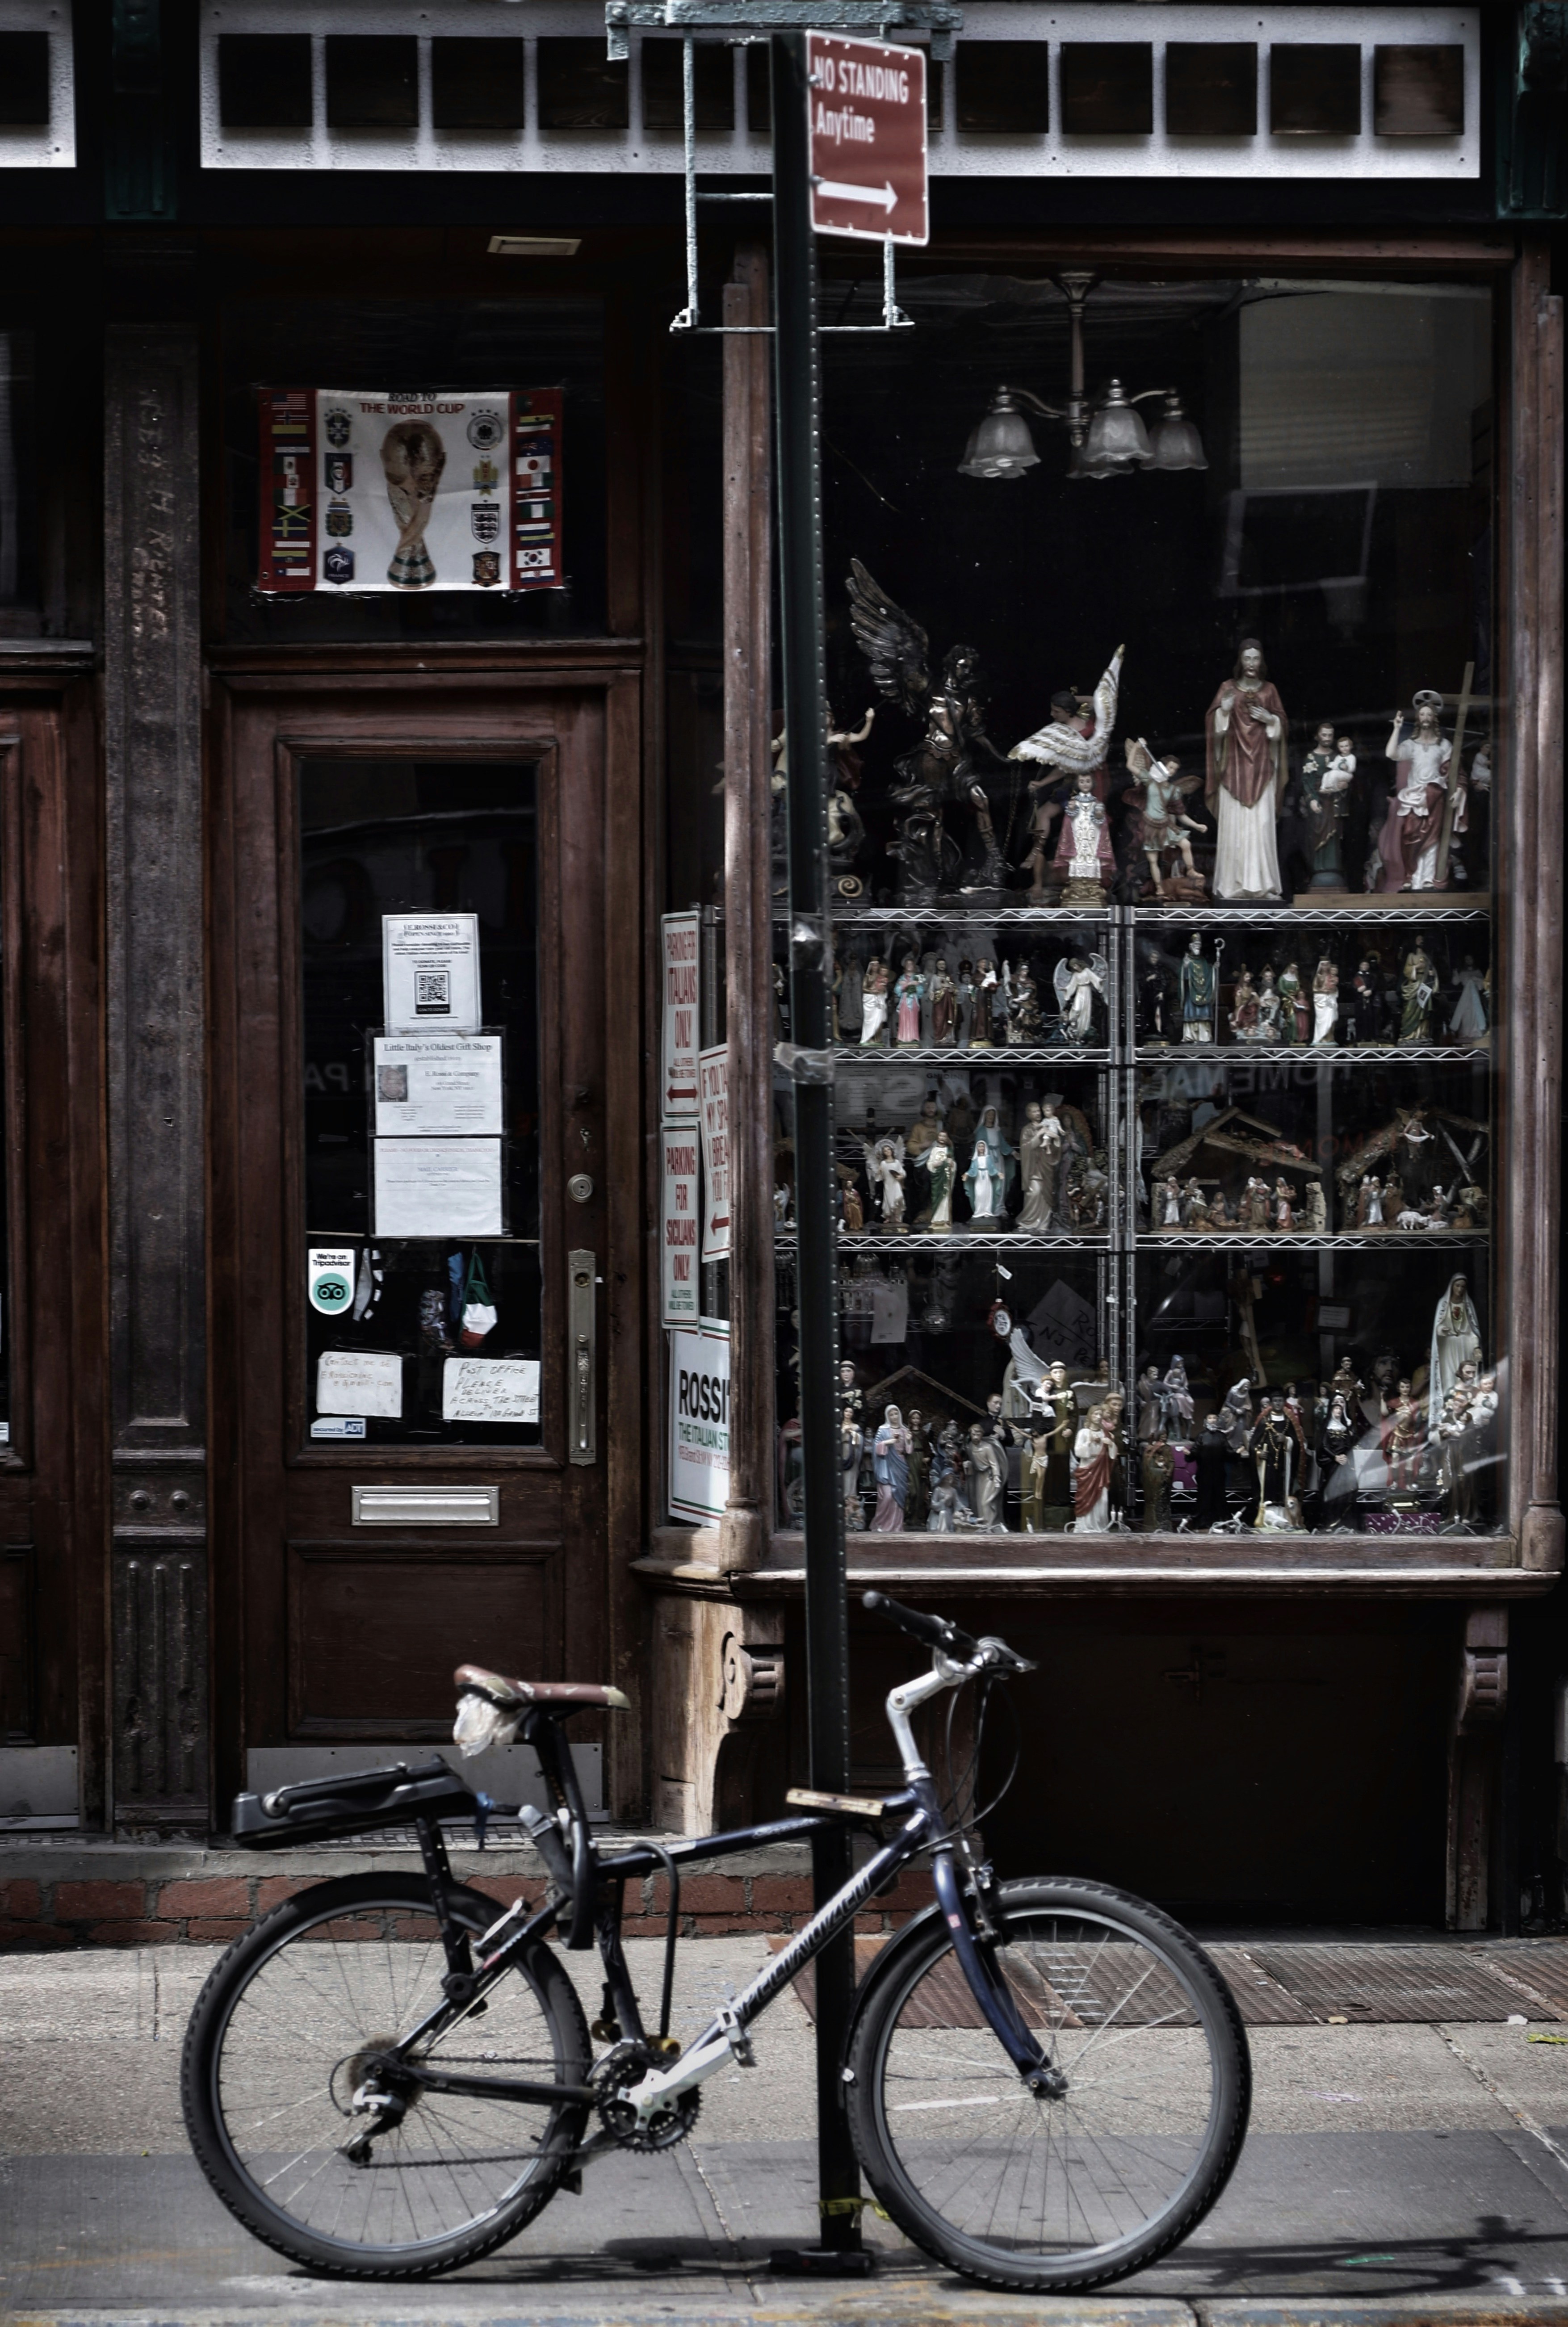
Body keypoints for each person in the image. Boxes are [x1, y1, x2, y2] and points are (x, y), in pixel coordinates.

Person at [1205, 639, 1287, 901]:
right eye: (1247, 659)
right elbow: (1213, 728)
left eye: (1256, 659)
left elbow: (1281, 728)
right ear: (1240, 661)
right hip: (1234, 769)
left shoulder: (1270, 691)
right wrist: (1224, 712)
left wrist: (1270, 719)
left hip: (1262, 768)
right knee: (1236, 828)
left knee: (1261, 827)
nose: (1251, 664)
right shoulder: (1227, 689)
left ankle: (1263, 885)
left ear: (1261, 662)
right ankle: (1233, 885)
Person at [1377, 691, 1457, 893]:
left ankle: (1428, 879)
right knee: (1410, 836)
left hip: (1435, 796)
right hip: (1414, 797)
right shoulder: (1411, 745)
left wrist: (1457, 791)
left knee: (1432, 840)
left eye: (1430, 715)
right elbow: (1391, 754)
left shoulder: (1444, 745)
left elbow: (1453, 772)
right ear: (1418, 719)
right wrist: (1397, 729)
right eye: (1422, 715)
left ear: (1435, 718)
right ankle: (1411, 878)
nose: (1426, 718)